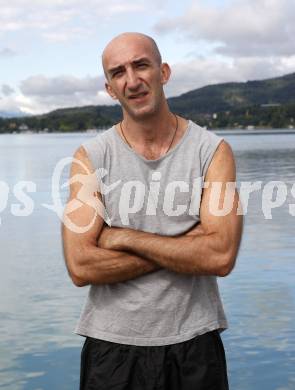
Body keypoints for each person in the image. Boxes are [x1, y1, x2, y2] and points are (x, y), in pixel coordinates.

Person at [62, 32, 243, 390]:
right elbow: (81, 267)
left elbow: (220, 257)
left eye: (141, 65)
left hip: (196, 345)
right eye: (118, 73)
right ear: (110, 89)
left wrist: (124, 237)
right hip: (111, 349)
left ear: (164, 72)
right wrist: (188, 245)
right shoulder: (91, 157)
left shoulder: (213, 151)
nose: (132, 80)